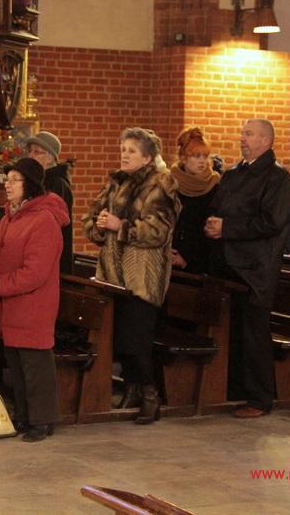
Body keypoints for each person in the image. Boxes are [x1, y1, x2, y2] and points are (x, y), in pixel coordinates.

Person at [82, 127, 180, 424]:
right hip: (113, 275)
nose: (124, 155)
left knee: (136, 340)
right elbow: (90, 218)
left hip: (142, 274)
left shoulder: (161, 183)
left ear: (147, 157)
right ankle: (132, 390)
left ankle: (150, 395)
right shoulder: (117, 182)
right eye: (123, 150)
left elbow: (158, 232)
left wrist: (119, 226)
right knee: (121, 340)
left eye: (132, 151)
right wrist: (99, 225)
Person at [205, 119, 290, 419]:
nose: (242, 138)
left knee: (254, 335)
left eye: (250, 134)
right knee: (233, 332)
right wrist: (212, 224)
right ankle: (234, 390)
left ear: (266, 141)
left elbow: (272, 222)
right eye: (243, 133)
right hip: (228, 265)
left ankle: (259, 397)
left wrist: (227, 227)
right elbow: (218, 207)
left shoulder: (277, 178)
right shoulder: (233, 173)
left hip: (255, 269)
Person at [0, 157, 69, 442]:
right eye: (7, 179)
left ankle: (42, 421)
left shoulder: (44, 220)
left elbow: (35, 273)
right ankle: (25, 416)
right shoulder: (11, 216)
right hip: (11, 303)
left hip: (32, 304)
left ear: (30, 185)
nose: (8, 184)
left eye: (15, 180)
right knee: (16, 364)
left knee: (35, 365)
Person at [169, 127, 220, 274]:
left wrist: (187, 258)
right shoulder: (169, 184)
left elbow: (212, 232)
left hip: (199, 265)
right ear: (183, 158)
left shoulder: (215, 186)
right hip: (167, 260)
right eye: (197, 156)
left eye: (205, 156)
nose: (202, 161)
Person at [26, 130, 73, 274]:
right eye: (30, 151)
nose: (30, 156)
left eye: (36, 152)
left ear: (50, 157)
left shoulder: (57, 184)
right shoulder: (38, 181)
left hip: (51, 259)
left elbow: (48, 224)